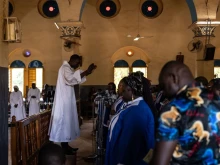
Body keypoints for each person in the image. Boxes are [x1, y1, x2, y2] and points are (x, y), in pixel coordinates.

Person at [150, 61, 220, 165]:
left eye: (163, 86)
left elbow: (160, 162)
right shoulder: (217, 100)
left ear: (173, 78)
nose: (164, 92)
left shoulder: (173, 109)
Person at [48, 54, 97, 155]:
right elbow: (71, 79)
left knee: (67, 124)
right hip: (63, 102)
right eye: (78, 63)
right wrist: (86, 72)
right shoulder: (65, 68)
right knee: (64, 123)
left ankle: (66, 145)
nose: (78, 65)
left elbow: (75, 78)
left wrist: (87, 73)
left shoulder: (68, 68)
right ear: (74, 61)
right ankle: (63, 148)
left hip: (67, 100)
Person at [105, 72, 155, 165]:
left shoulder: (137, 111)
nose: (121, 93)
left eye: (123, 90)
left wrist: (122, 162)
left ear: (131, 90)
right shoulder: (131, 105)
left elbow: (129, 143)